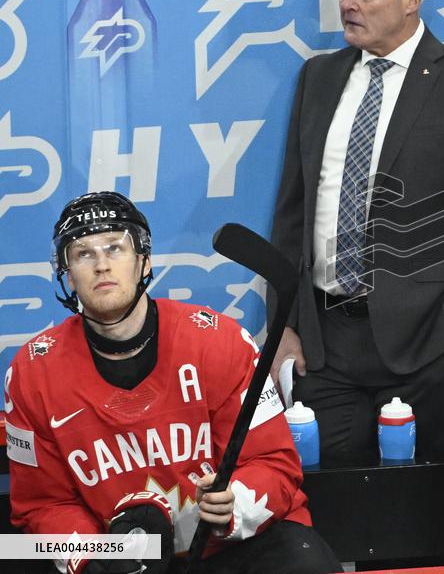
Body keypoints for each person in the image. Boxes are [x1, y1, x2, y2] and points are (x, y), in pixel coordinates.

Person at [269, 0, 444, 467]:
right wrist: (283, 325)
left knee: (422, 510)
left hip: (425, 346)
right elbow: (292, 212)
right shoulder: (317, 78)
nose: (348, 3)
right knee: (330, 501)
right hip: (324, 348)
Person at [4, 192, 339, 574]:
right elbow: (42, 505)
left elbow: (274, 463)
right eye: (83, 254)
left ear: (143, 260)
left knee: (304, 562)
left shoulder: (221, 342)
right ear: (67, 274)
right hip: (124, 557)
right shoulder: (32, 373)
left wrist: (236, 502)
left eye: (115, 247)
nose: (101, 265)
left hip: (230, 548)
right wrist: (94, 555)